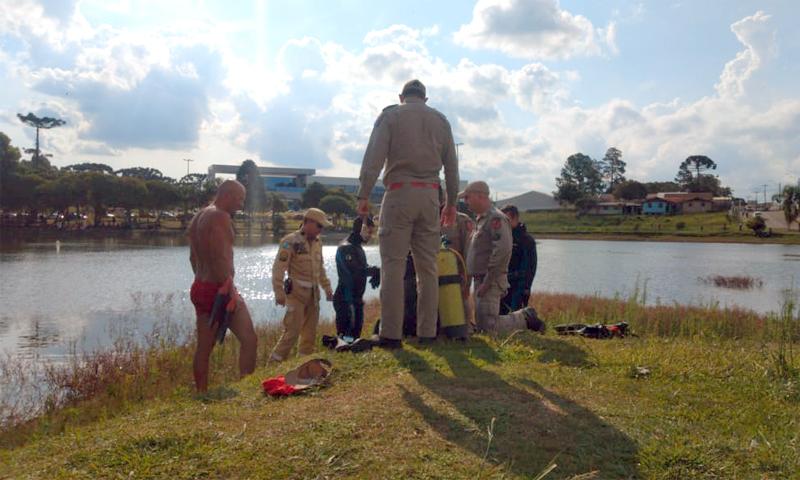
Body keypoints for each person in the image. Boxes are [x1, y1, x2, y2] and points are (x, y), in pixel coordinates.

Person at [356, 79, 460, 347]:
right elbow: (452, 167)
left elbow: (373, 159)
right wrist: (450, 204)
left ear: (401, 96)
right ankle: (427, 333)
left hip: (399, 193)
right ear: (425, 99)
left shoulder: (390, 116)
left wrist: (364, 194)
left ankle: (391, 334)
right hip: (430, 196)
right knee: (428, 269)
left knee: (393, 266)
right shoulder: (441, 120)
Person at [187, 180, 257, 392]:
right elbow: (222, 257)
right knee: (249, 339)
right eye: (239, 199)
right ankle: (246, 385)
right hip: (220, 287)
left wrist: (206, 283)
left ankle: (201, 393)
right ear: (227, 195)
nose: (241, 204)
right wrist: (229, 290)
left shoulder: (198, 216)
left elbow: (192, 258)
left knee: (204, 348)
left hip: (200, 285)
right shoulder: (220, 216)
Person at [460, 181, 545, 335]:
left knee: (488, 326)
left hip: (490, 280)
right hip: (481, 279)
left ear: (480, 196)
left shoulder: (496, 219)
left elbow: (502, 251)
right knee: (483, 325)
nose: (465, 202)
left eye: (467, 197)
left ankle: (525, 318)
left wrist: (487, 281)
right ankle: (522, 318)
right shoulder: (482, 219)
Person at [270, 208, 334, 362]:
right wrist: (279, 292)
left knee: (309, 334)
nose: (320, 230)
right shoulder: (290, 241)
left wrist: (327, 288)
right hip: (296, 294)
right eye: (319, 226)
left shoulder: (318, 243)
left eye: (322, 227)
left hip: (313, 296)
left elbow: (320, 268)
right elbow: (279, 268)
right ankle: (273, 365)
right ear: (308, 222)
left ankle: (304, 365)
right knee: (292, 331)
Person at [333, 217, 380, 338]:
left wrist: (375, 271)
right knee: (347, 339)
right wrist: (375, 271)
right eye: (369, 232)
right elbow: (355, 270)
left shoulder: (357, 246)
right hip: (346, 299)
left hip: (355, 299)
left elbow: (363, 267)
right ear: (361, 230)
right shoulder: (346, 247)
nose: (371, 236)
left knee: (355, 337)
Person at [499, 204, 538, 314]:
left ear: (515, 218)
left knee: (515, 316)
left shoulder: (526, 240)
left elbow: (530, 267)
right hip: (503, 285)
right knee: (501, 317)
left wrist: (526, 288)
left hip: (519, 287)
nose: (503, 223)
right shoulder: (503, 237)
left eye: (506, 219)